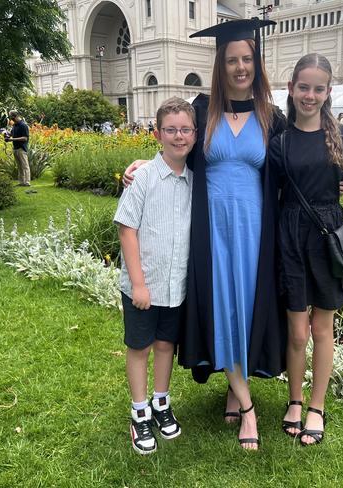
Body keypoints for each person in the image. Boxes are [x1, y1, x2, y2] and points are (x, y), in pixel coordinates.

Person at [123, 18, 287, 451]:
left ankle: (236, 389)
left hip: (254, 232)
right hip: (211, 232)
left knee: (246, 308)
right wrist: (145, 162)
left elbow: (294, 166)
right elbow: (176, 145)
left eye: (247, 59)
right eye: (232, 59)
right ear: (220, 63)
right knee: (223, 307)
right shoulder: (201, 109)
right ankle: (247, 408)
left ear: (257, 63)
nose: (240, 67)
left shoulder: (272, 115)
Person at [268, 53, 343, 447]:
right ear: (292, 88)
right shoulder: (279, 143)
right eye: (303, 87)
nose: (310, 95)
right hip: (290, 237)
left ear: (328, 92)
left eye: (318, 88)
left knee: (322, 328)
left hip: (328, 236)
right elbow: (270, 194)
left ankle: (316, 406)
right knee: (297, 331)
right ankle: (294, 400)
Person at [114, 97, 196, 455]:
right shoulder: (144, 177)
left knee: (166, 345)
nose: (179, 136)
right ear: (158, 133)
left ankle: (161, 403)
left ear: (194, 134)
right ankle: (139, 412)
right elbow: (126, 229)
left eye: (185, 129)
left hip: (175, 284)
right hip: (143, 285)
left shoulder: (195, 180)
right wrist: (139, 284)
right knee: (140, 346)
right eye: (171, 130)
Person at [4, 110, 30, 186]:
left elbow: (25, 138)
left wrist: (11, 139)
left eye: (11, 117)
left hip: (21, 148)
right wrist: (7, 135)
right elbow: (11, 134)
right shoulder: (14, 125)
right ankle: (21, 182)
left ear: (15, 116)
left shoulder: (23, 125)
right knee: (19, 166)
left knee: (25, 166)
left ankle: (27, 182)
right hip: (15, 148)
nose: (11, 119)